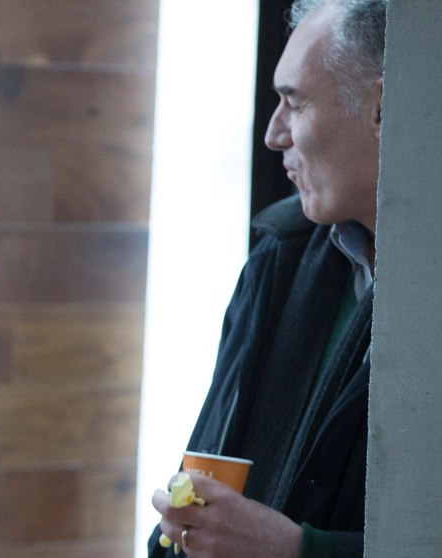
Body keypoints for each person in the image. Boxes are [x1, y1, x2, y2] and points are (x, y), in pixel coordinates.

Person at [147, 0, 385, 557]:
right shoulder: (278, 257)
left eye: (293, 103)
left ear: (383, 107)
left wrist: (302, 551)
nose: (274, 134)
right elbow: (202, 475)